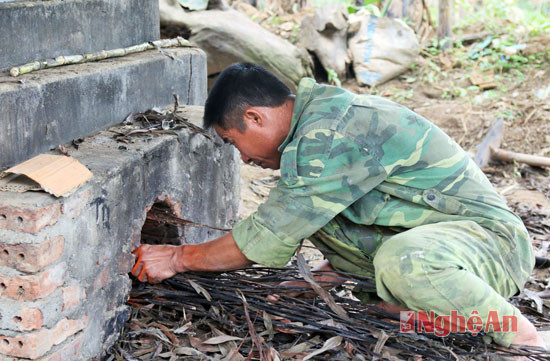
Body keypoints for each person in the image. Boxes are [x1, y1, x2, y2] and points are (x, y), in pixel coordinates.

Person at [131, 63, 544, 349]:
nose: (241, 158)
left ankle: (521, 336)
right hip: (456, 250)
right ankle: (452, 320)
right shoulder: (312, 133)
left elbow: (272, 230)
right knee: (385, 309)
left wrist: (178, 257)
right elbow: (336, 215)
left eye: (233, 143)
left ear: (255, 118)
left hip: (493, 247)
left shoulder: (328, 134)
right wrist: (323, 279)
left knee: (406, 263)